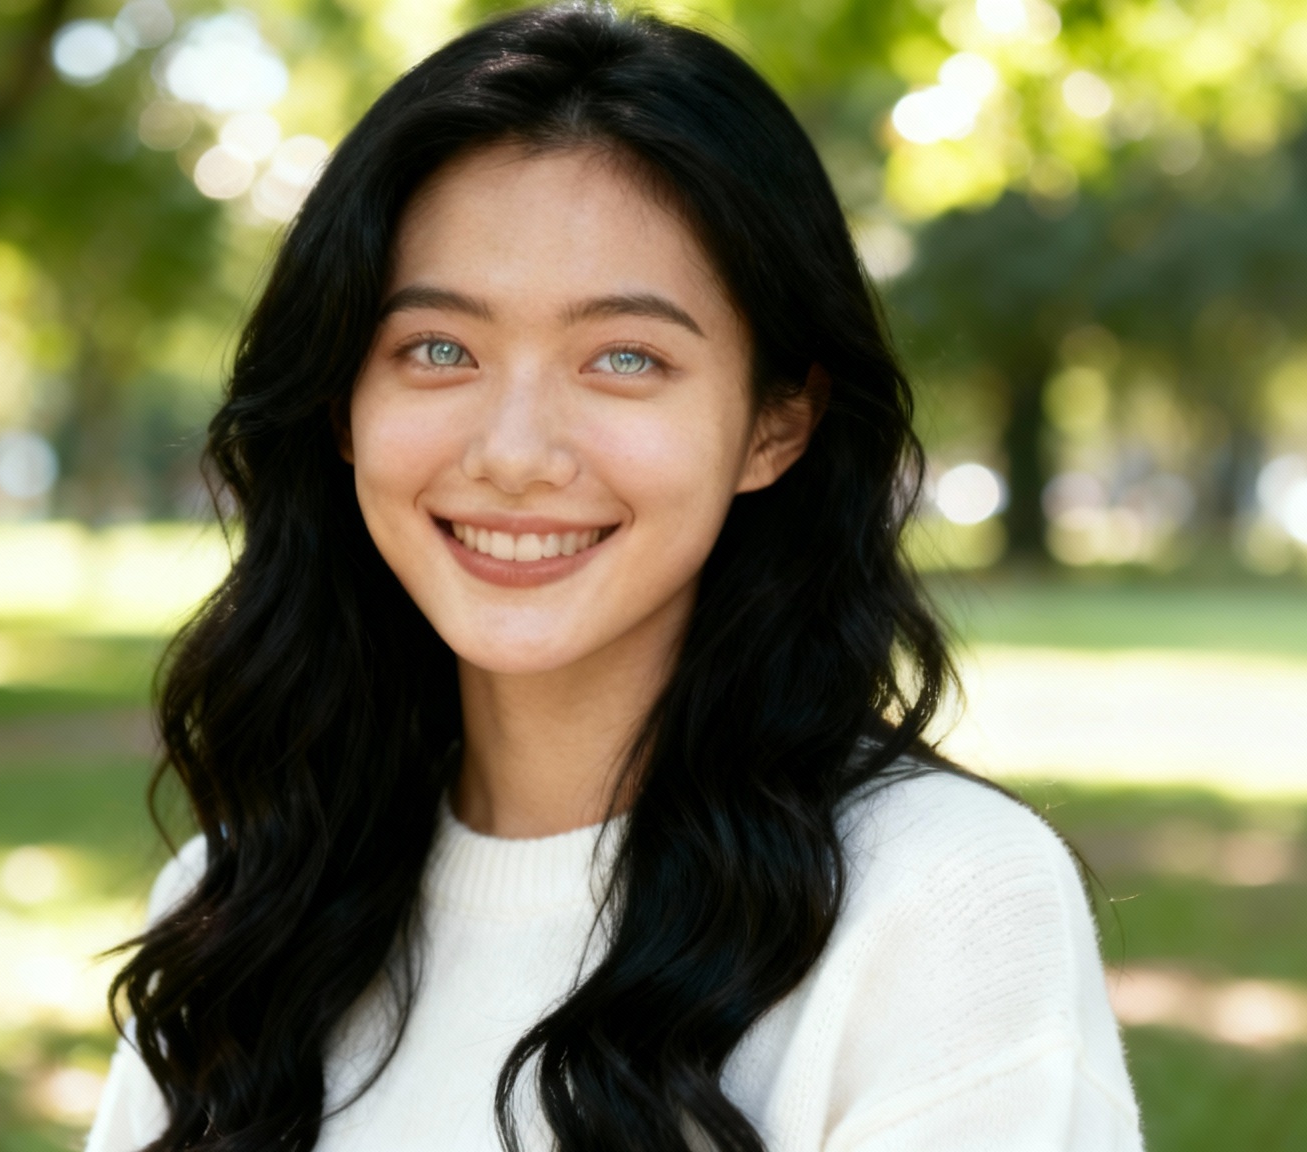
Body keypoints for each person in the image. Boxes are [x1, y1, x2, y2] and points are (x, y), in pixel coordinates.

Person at [86, 6, 1140, 1150]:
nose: (514, 454)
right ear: (341, 402)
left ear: (775, 424)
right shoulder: (240, 904)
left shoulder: (940, 903)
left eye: (625, 358)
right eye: (437, 349)